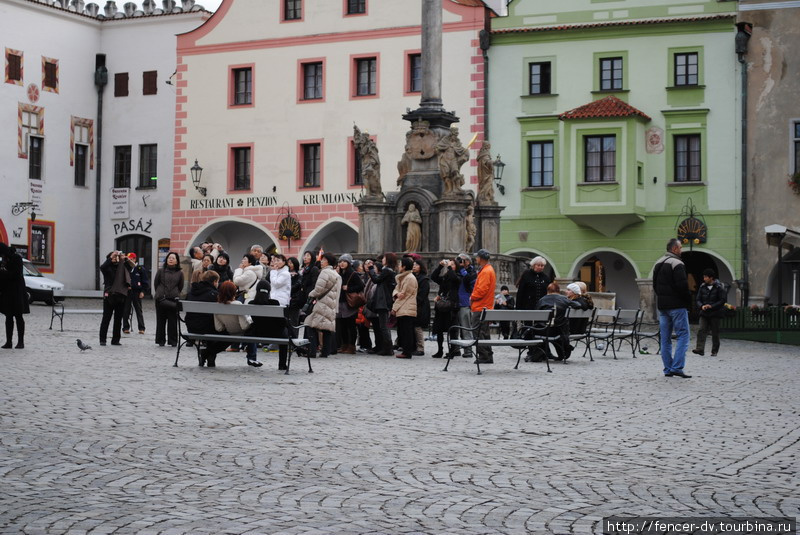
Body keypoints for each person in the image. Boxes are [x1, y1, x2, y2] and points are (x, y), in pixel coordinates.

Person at [653, 238, 692, 378]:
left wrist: (663, 298)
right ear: (675, 249)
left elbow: (655, 286)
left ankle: (668, 368)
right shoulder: (677, 263)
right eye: (680, 248)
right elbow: (683, 286)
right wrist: (688, 301)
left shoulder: (658, 263)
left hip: (663, 306)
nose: (681, 250)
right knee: (683, 336)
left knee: (665, 339)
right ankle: (677, 367)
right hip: (677, 305)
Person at [213, 280, 262, 367]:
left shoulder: (216, 306)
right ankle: (252, 357)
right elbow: (244, 326)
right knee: (251, 329)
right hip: (242, 332)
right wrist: (249, 320)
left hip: (229, 332)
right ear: (233, 292)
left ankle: (207, 353)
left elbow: (219, 328)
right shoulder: (238, 304)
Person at [304, 253, 342, 359]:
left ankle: (311, 351)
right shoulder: (336, 274)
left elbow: (319, 289)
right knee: (326, 329)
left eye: (324, 260)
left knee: (310, 324)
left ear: (328, 262)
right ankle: (325, 352)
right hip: (331, 304)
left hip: (323, 304)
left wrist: (311, 294)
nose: (321, 261)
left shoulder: (324, 272)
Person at [535, 282, 581, 360]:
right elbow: (578, 305)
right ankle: (562, 352)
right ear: (558, 291)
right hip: (560, 330)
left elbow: (536, 314)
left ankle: (540, 353)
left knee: (533, 330)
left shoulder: (542, 300)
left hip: (544, 330)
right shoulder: (564, 299)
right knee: (557, 328)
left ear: (548, 291)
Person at [185, 270, 220, 367]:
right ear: (214, 282)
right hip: (208, 328)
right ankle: (208, 354)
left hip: (191, 327)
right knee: (227, 333)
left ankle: (208, 356)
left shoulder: (191, 293)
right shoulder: (214, 294)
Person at [366, 252, 397, 356]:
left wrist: (370, 269)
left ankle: (388, 348)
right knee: (383, 325)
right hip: (385, 300)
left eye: (384, 258)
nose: (382, 260)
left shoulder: (387, 271)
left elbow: (376, 279)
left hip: (383, 301)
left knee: (384, 326)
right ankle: (387, 347)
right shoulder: (389, 271)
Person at [0, 242, 29, 349]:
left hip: (17, 291)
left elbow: (16, 274)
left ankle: (20, 342)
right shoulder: (4, 260)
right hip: (7, 292)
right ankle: (9, 342)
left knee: (18, 316)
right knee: (8, 316)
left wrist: (4, 272)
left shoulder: (16, 258)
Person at [99, 250, 131, 347]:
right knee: (106, 318)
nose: (115, 258)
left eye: (116, 257)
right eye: (113, 257)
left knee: (118, 319)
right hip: (110, 296)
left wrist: (124, 259)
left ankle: (115, 340)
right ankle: (102, 339)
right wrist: (111, 257)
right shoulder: (107, 268)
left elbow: (132, 268)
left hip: (121, 296)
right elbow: (102, 267)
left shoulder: (122, 267)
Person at [470, 249, 496, 364]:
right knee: (485, 333)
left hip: (481, 306)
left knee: (478, 332)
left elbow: (481, 290)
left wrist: (472, 297)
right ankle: (488, 355)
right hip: (486, 306)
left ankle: (484, 356)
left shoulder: (485, 271)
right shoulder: (489, 270)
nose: (476, 259)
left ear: (480, 258)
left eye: (477, 257)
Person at [693, 268, 726, 357]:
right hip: (704, 312)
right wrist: (701, 306)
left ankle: (714, 351)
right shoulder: (702, 287)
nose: (704, 279)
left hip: (715, 313)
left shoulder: (719, 287)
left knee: (715, 332)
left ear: (711, 278)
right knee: (701, 330)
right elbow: (698, 299)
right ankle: (700, 349)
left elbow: (722, 300)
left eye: (705, 277)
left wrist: (712, 306)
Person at [430, 257, 459, 358]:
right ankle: (440, 350)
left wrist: (450, 268)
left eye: (453, 264)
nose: (450, 266)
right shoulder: (445, 277)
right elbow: (433, 277)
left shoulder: (457, 277)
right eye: (450, 264)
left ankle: (452, 351)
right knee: (438, 329)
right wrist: (440, 266)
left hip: (451, 307)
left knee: (451, 330)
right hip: (441, 306)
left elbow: (454, 278)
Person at [154, 251, 184, 347]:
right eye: (169, 258)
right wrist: (160, 293)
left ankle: (173, 341)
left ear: (176, 261)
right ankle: (160, 340)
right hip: (161, 299)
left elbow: (180, 286)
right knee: (160, 320)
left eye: (173, 258)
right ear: (166, 260)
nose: (171, 259)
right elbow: (156, 283)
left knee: (173, 321)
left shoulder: (180, 273)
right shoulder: (161, 271)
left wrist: (174, 293)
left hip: (173, 300)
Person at [336, 253, 364, 355]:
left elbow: (361, 286)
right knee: (342, 325)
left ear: (348, 263)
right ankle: (344, 345)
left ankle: (352, 346)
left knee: (351, 326)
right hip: (341, 302)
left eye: (344, 261)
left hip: (349, 303)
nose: (342, 263)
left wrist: (349, 288)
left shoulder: (353, 274)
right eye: (340, 262)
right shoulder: (341, 273)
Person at [393, 256, 418, 359]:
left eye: (400, 264)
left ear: (404, 266)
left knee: (407, 331)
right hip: (403, 307)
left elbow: (404, 295)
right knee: (403, 330)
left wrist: (395, 308)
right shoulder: (403, 277)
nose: (398, 266)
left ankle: (407, 351)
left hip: (407, 307)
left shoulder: (410, 278)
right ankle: (405, 350)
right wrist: (396, 294)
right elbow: (396, 290)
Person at [454, 253, 477, 359]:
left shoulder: (472, 272)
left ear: (467, 262)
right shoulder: (456, 271)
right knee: (455, 328)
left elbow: (472, 284)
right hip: (455, 302)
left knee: (466, 327)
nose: (459, 262)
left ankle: (468, 350)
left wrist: (462, 270)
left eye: (461, 260)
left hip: (465, 302)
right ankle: (455, 349)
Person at [122, 253, 149, 335]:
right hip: (127, 292)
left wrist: (143, 291)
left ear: (134, 259)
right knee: (126, 310)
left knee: (138, 310)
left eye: (131, 259)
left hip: (137, 292)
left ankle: (141, 328)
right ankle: (126, 327)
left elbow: (145, 281)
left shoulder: (140, 269)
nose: (130, 261)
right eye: (128, 259)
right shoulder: (126, 268)